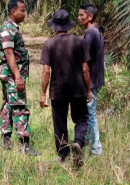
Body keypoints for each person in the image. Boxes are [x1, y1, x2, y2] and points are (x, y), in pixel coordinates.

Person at [39, 9, 92, 167]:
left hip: (58, 90)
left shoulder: (48, 44)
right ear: (69, 25)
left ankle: (63, 155)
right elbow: (85, 69)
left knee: (59, 122)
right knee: (82, 118)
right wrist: (88, 90)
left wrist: (42, 93)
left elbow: (46, 71)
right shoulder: (80, 42)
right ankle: (78, 142)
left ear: (54, 26)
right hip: (78, 88)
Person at [0, 0, 39, 155]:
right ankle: (24, 146)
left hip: (9, 74)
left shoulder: (12, 27)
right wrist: (18, 76)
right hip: (12, 74)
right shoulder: (8, 29)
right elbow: (9, 53)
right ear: (13, 11)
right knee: (19, 106)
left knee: (8, 105)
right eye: (22, 10)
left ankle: (6, 141)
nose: (24, 13)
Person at [78, 4, 105, 155]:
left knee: (90, 115)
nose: (79, 18)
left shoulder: (90, 33)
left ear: (90, 17)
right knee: (89, 113)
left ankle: (96, 149)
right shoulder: (97, 31)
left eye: (82, 15)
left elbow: (84, 59)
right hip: (96, 79)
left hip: (91, 80)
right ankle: (85, 143)